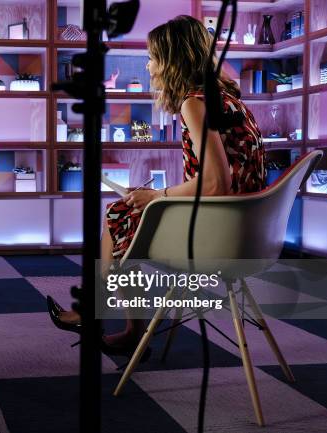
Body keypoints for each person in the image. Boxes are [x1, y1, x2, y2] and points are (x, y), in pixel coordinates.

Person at [48, 15, 266, 355]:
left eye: (153, 58)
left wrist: (157, 195)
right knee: (126, 210)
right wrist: (154, 197)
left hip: (219, 232)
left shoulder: (195, 103)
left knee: (118, 215)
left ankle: (101, 317)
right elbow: (224, 180)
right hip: (248, 228)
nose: (149, 67)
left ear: (172, 60)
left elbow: (213, 183)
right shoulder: (230, 99)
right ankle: (115, 322)